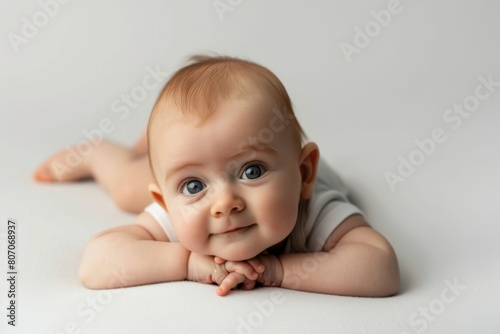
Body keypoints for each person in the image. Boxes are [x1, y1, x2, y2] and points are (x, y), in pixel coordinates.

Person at [33, 55, 400, 297]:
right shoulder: (185, 214)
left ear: (303, 174)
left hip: (305, 178)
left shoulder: (313, 208)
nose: (224, 203)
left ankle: (163, 151)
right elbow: (96, 265)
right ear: (164, 201)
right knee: (127, 189)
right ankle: (101, 154)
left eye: (252, 171)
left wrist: (277, 270)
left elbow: (380, 268)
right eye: (194, 185)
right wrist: (190, 263)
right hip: (167, 178)